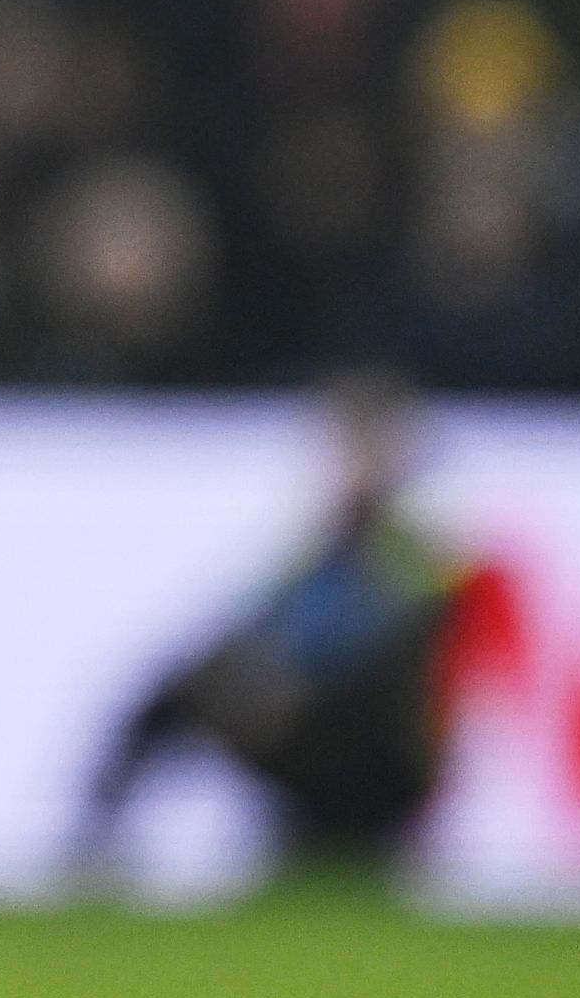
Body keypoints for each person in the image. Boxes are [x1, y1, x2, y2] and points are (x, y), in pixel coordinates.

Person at [75, 374, 464, 880]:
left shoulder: (418, 550)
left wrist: (280, 682)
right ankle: (99, 837)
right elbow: (258, 621)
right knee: (186, 683)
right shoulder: (325, 542)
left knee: (265, 690)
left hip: (377, 753)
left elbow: (384, 651)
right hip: (308, 725)